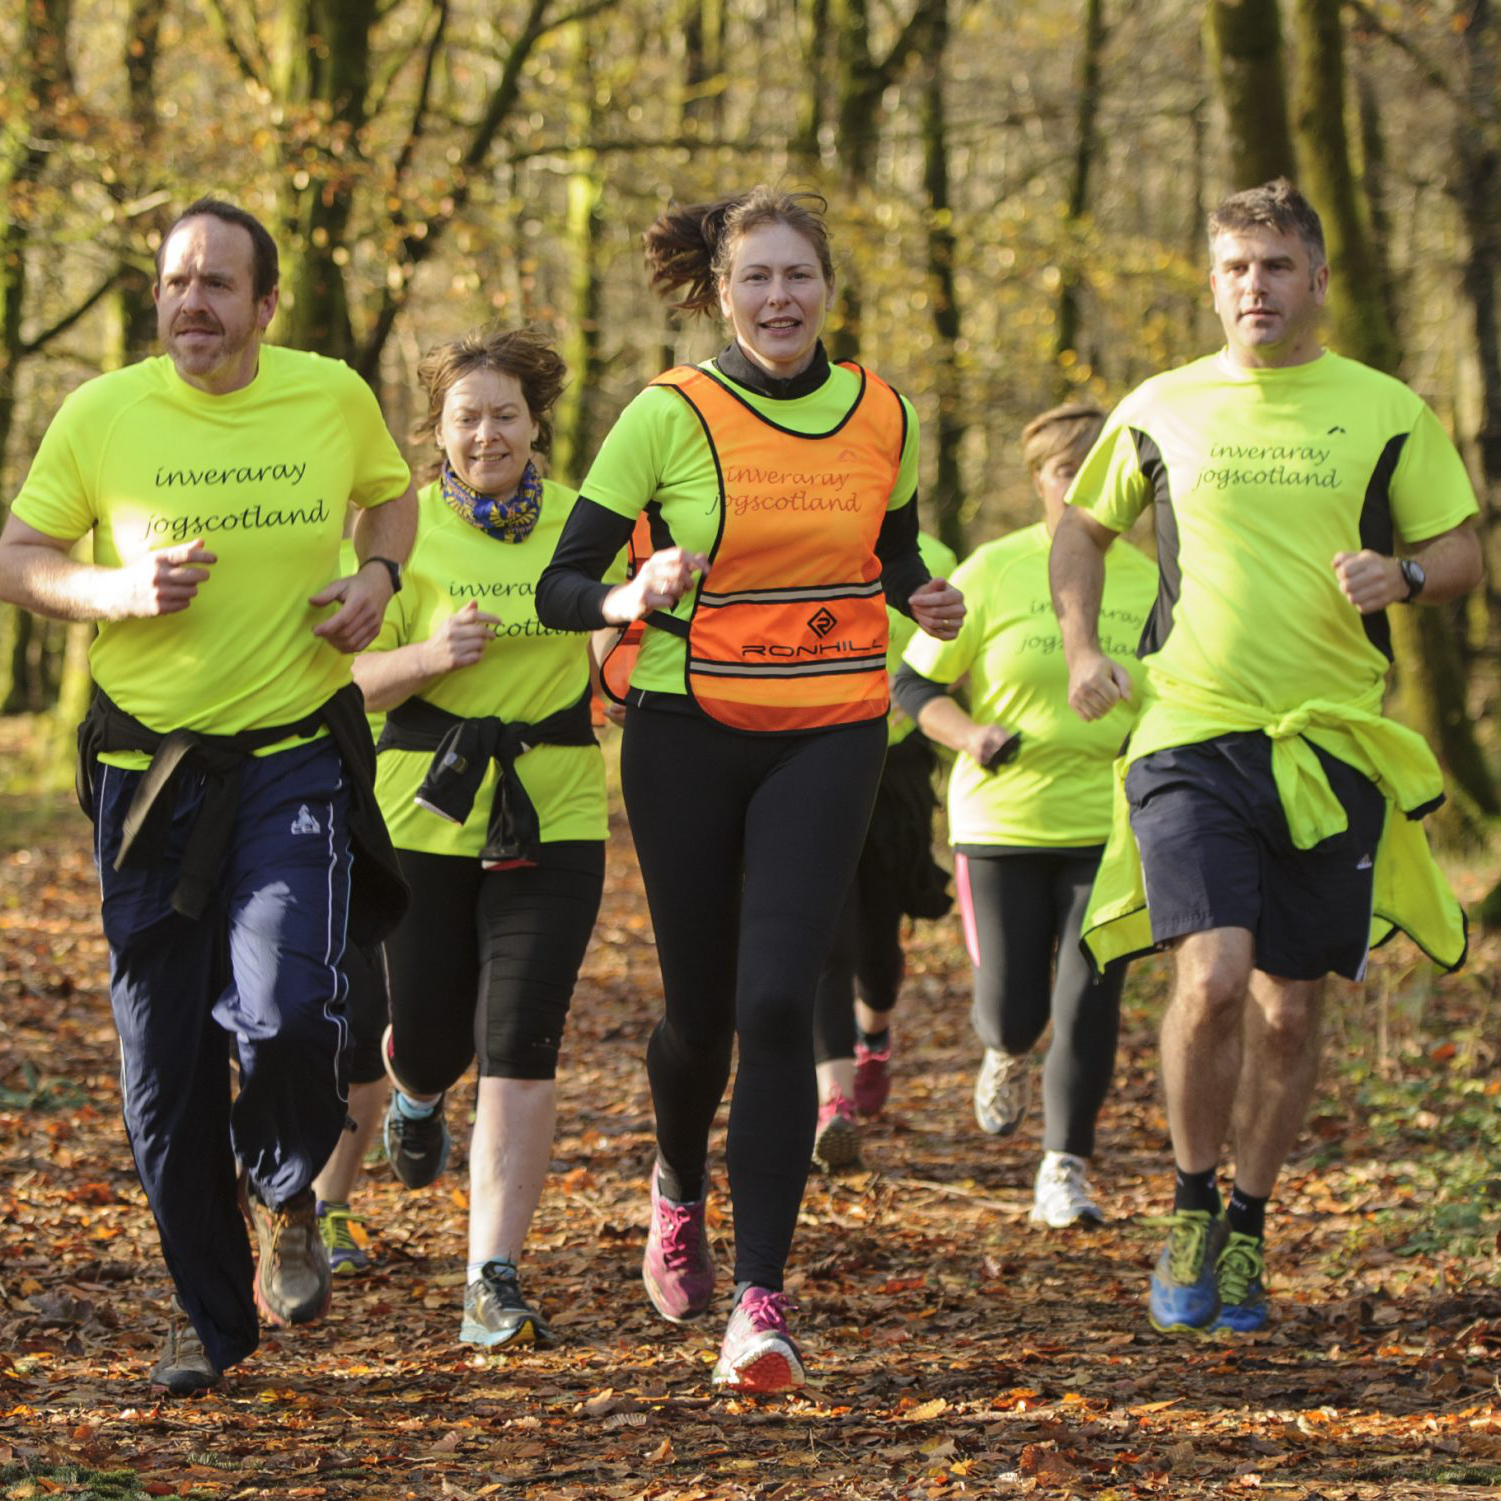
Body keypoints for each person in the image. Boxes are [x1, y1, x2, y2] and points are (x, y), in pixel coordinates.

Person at [536, 187, 964, 1392]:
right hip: (687, 730)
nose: (780, 299)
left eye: (799, 277)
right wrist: (633, 594)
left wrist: (923, 595)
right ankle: (676, 1181)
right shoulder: (666, 415)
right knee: (703, 1015)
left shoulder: (882, 411)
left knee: (781, 1003)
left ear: (828, 286)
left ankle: (763, 1303)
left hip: (832, 726)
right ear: (720, 292)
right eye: (756, 279)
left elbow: (892, 552)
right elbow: (561, 587)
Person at [1050, 178, 1480, 1335]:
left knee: (1291, 1013)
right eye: (1236, 267)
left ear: (1317, 279)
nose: (1255, 286)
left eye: (1277, 265)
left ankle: (1246, 1219)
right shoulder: (1159, 405)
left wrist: (1405, 577)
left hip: (1331, 741)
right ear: (1210, 282)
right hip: (1190, 729)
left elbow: (1461, 549)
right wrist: (1082, 643)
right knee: (1214, 976)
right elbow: (1081, 529)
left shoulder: (1387, 409)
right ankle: (1190, 1201)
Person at [0, 198, 416, 1393]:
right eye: (177, 282)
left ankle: (286, 1189)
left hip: (291, 752)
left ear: (264, 305)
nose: (192, 304)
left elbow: (391, 495)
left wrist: (380, 573)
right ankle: (205, 1309)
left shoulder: (329, 394)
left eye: (218, 285)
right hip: (148, 779)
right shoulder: (101, 413)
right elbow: (18, 560)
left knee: (290, 1006)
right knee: (163, 1067)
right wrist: (118, 591)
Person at [353, 327, 615, 1350]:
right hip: (422, 807)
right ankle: (414, 1092)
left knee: (520, 1038)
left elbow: (618, 625)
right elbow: (340, 684)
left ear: (536, 419)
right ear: (439, 432)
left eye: (505, 412)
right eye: (467, 416)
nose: (487, 432)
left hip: (555, 807)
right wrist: (426, 653)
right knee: (432, 1037)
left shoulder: (586, 520)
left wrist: (624, 662)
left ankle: (490, 1276)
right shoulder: (398, 529)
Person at [894, 404, 1157, 1225]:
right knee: (1016, 1008)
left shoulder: (1154, 580)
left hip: (1115, 823)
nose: (1080, 486)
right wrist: (969, 733)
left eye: (1097, 470)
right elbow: (911, 685)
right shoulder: (992, 570)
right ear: (1035, 479)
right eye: (1062, 471)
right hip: (1001, 820)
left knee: (1090, 996)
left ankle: (1063, 1167)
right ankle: (1005, 1051)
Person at [809, 527, 957, 1173]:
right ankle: (832, 1100)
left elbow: (953, 666)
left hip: (894, 765)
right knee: (825, 936)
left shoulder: (937, 561)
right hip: (810, 758)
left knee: (877, 942)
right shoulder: (804, 542)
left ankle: (873, 1035)